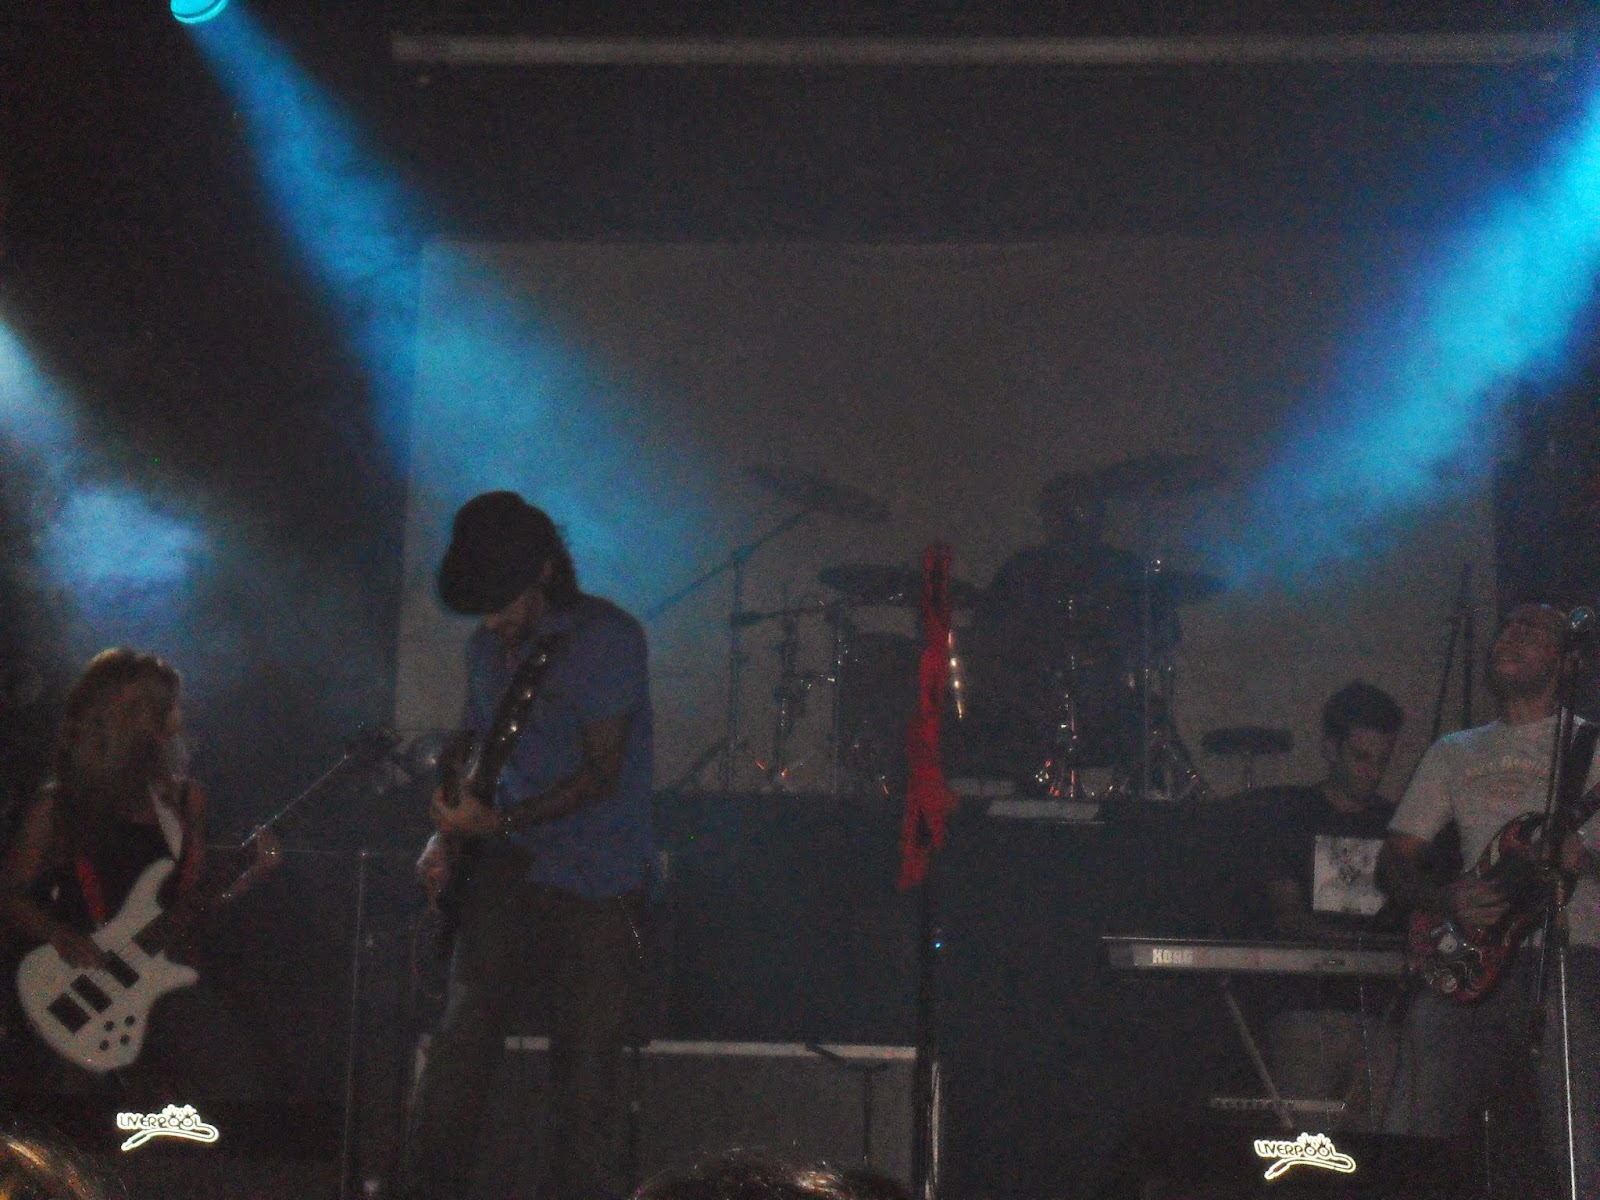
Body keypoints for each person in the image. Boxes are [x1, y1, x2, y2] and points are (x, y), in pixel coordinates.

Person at [401, 491, 653, 1200]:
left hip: (599, 876)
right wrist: (446, 834)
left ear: (545, 569)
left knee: (587, 1073)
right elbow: (478, 750)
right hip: (506, 866)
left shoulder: (605, 638)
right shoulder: (486, 648)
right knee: (459, 1047)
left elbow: (602, 772)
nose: (490, 620)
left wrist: (500, 824)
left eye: (501, 600)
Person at [1378, 603, 1600, 1190]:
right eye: (1508, 627)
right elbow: (1394, 864)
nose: (1511, 636)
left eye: (1532, 630)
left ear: (1567, 662)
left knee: (1577, 1129)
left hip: (1569, 955)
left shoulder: (1592, 747)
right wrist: (1446, 897)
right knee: (1415, 1112)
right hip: (1470, 953)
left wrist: (1585, 861)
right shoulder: (1455, 750)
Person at [0, 648, 279, 1097]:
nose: (178, 721)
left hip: (163, 985)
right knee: (79, 1121)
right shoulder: (57, 806)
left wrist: (250, 875)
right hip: (78, 989)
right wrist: (59, 934)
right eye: (168, 708)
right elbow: (9, 894)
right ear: (134, 719)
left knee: (233, 1090)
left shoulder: (184, 801)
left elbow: (192, 900)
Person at [1252, 680, 1405, 1129]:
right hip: (1305, 1010)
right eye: (1361, 757)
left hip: (1379, 1013)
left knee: (1377, 1148)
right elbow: (1288, 915)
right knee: (1304, 1150)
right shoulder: (1292, 816)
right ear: (1330, 749)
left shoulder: (1397, 826)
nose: (1372, 773)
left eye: (1381, 761)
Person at [958, 472, 1146, 790]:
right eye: (1062, 509)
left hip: (1105, 695)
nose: (1073, 518)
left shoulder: (1122, 568)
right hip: (1031, 697)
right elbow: (987, 639)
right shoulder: (1023, 569)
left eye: (1082, 507)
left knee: (1145, 719)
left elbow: (1153, 632)